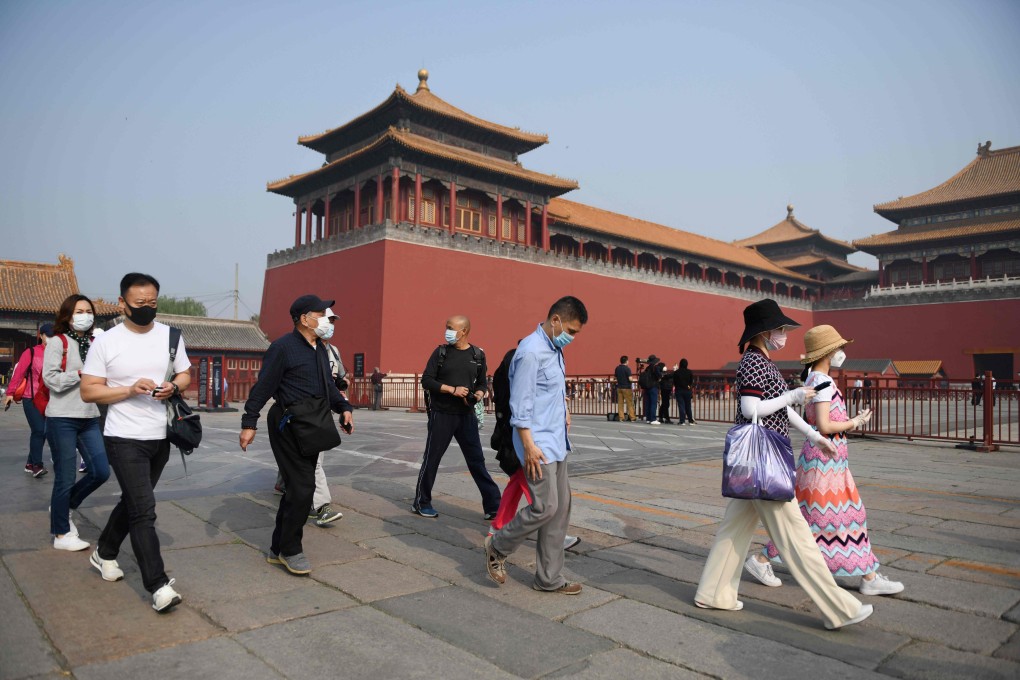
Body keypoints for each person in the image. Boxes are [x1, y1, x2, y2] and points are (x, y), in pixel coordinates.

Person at [694, 299, 873, 630]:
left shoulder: (763, 360)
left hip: (758, 464)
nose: (784, 334)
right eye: (780, 329)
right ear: (765, 331)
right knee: (798, 538)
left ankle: (714, 592)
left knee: (734, 530)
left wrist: (813, 435)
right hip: (765, 462)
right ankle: (839, 609)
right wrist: (792, 396)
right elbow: (751, 409)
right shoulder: (753, 362)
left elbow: (781, 410)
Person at [753, 325, 904, 597]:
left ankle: (763, 559)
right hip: (825, 463)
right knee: (843, 517)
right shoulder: (822, 381)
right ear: (829, 352)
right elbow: (824, 424)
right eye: (840, 348)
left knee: (811, 519)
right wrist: (855, 421)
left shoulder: (813, 379)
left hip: (824, 462)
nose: (842, 352)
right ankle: (868, 577)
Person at [81, 273, 192, 613]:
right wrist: (129, 390)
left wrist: (174, 386)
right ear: (122, 303)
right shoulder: (106, 342)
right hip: (123, 436)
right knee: (144, 509)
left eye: (152, 303)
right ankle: (158, 586)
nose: (147, 308)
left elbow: (185, 373)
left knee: (134, 501)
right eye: (139, 303)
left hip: (160, 436)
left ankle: (104, 552)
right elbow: (89, 390)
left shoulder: (171, 336)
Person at [240, 295, 354, 576]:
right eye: (320, 314)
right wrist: (249, 422)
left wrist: (344, 407)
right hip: (288, 423)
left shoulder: (318, 348)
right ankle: (291, 550)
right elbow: (263, 386)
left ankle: (278, 547)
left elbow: (327, 384)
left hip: (313, 422)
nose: (325, 320)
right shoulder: (282, 348)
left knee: (298, 489)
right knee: (302, 488)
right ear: (304, 319)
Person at [484, 296, 588, 594]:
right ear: (555, 320)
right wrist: (527, 444)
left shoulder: (553, 349)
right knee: (544, 507)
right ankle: (498, 546)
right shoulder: (530, 351)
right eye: (571, 330)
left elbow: (550, 390)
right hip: (537, 444)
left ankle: (549, 579)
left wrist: (565, 407)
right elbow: (521, 403)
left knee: (560, 509)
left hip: (556, 441)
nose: (572, 337)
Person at [487, 342, 579, 551]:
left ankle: (498, 527)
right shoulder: (524, 359)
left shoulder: (521, 359)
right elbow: (519, 403)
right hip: (522, 435)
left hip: (526, 433)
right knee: (541, 496)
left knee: (520, 481)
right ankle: (501, 538)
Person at [413, 315, 500, 519]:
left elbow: (481, 383)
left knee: (477, 461)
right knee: (432, 459)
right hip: (442, 414)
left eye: (451, 328)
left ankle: (493, 506)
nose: (447, 331)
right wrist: (452, 390)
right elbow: (427, 380)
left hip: (466, 415)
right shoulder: (441, 352)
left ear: (464, 331)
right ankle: (421, 502)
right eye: (447, 327)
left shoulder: (478, 354)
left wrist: (479, 394)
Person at [43, 295, 111, 552]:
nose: (85, 315)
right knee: (65, 477)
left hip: (90, 416)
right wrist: (80, 374)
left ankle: (63, 506)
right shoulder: (57, 341)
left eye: (88, 310)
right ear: (68, 315)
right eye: (79, 311)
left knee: (101, 471)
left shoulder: (96, 343)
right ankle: (61, 534)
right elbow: (51, 379)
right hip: (62, 416)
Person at [4, 324, 54, 478]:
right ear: (41, 335)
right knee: (39, 430)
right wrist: (10, 393)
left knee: (43, 432)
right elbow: (19, 373)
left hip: (49, 399)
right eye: (49, 335)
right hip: (30, 398)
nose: (52, 339)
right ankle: (37, 466)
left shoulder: (58, 355)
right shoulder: (31, 352)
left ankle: (29, 462)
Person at [640, 355, 662, 424]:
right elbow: (659, 375)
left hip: (646, 387)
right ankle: (653, 419)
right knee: (653, 403)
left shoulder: (647, 368)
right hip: (653, 387)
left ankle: (648, 418)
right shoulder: (655, 367)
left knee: (648, 403)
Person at [674, 358, 696, 425]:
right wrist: (689, 386)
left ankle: (682, 421)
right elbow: (691, 382)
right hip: (687, 390)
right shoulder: (689, 372)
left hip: (679, 390)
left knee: (681, 405)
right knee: (688, 406)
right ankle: (690, 420)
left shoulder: (676, 372)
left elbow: (674, 382)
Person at [614, 356, 634, 421]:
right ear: (626, 361)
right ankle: (632, 417)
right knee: (629, 403)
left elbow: (615, 378)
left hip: (619, 387)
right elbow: (630, 379)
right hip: (627, 388)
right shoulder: (627, 369)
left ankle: (621, 417)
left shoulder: (617, 368)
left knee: (620, 404)